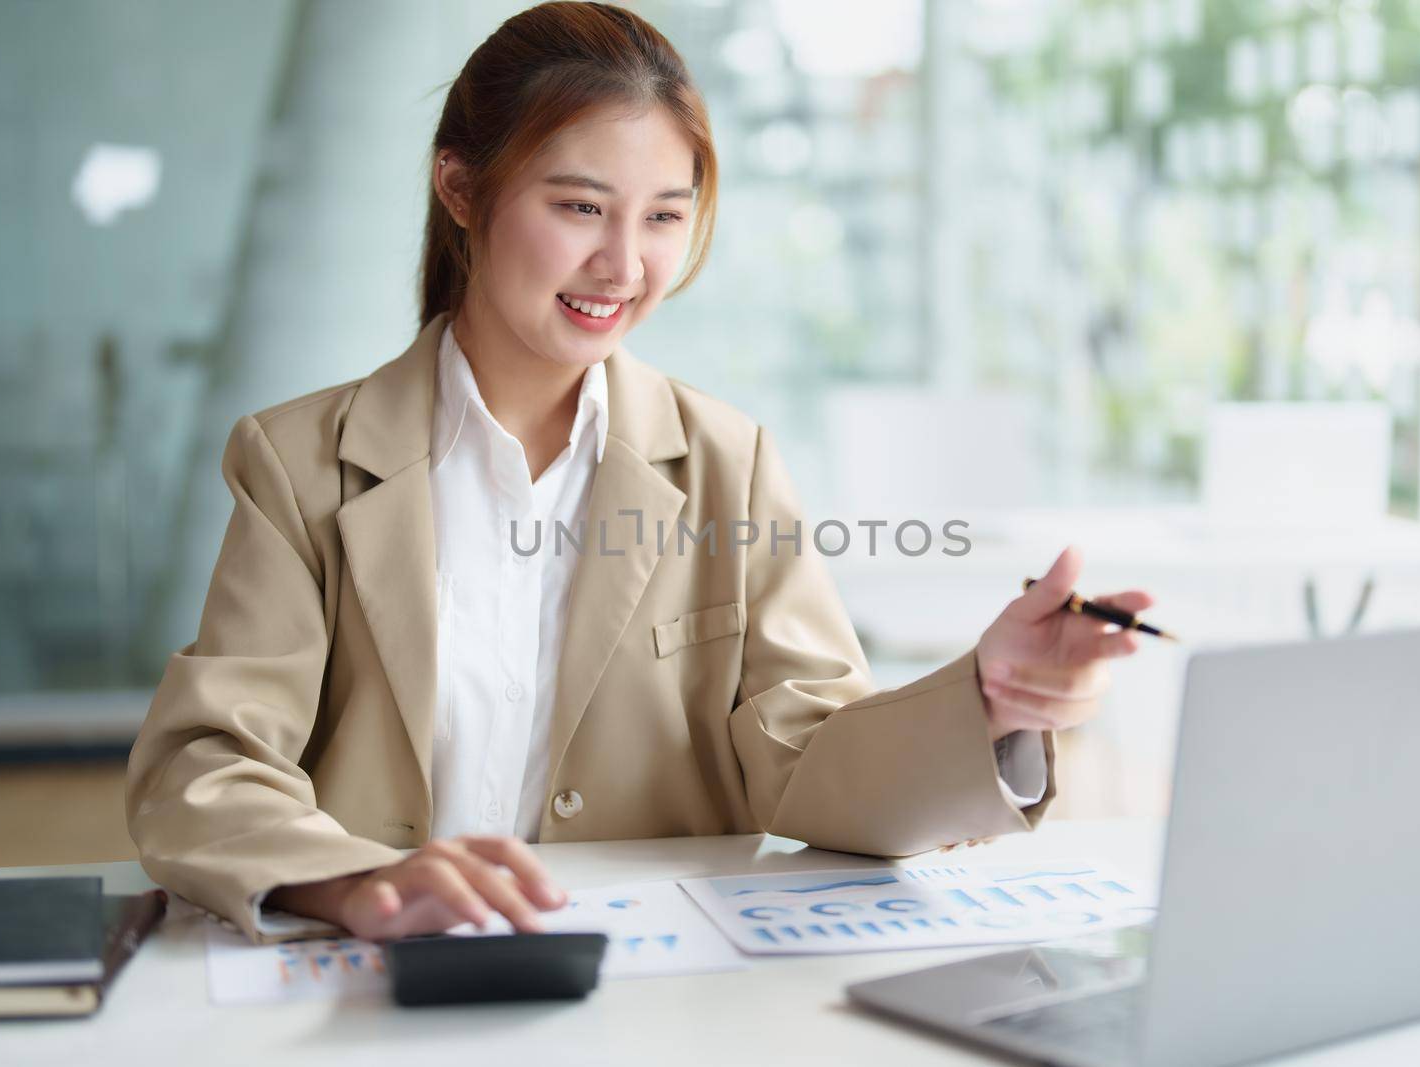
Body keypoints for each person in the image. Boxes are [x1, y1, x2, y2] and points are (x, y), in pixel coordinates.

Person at [125, 1, 1155, 945]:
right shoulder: (300, 461)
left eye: (664, 215)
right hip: (373, 981)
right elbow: (204, 766)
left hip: (644, 993)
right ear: (460, 189)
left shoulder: (726, 463)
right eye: (579, 208)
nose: (625, 265)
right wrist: (358, 882)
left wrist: (988, 700)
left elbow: (808, 756)